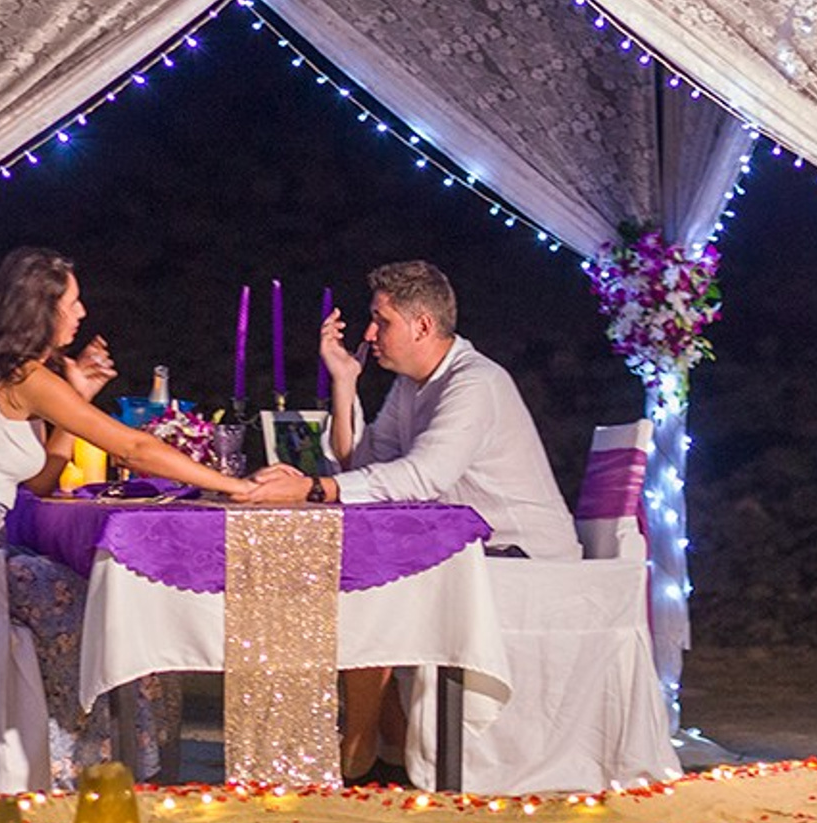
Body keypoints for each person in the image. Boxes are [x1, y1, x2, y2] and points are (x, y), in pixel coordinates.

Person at [0, 245, 253, 786]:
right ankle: (84, 764)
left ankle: (96, 755)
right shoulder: (23, 376)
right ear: (43, 309)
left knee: (84, 590)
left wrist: (75, 397)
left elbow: (35, 482)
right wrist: (232, 486)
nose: (82, 314)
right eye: (73, 303)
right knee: (97, 603)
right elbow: (132, 447)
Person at [246, 259, 578, 781]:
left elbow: (422, 476)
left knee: (369, 581)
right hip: (468, 550)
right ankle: (385, 744)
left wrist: (314, 489)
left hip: (522, 557)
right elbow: (365, 463)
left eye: (381, 321)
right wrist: (345, 381)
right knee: (360, 571)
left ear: (421, 325)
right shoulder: (412, 387)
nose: (369, 333)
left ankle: (361, 748)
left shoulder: (476, 383)